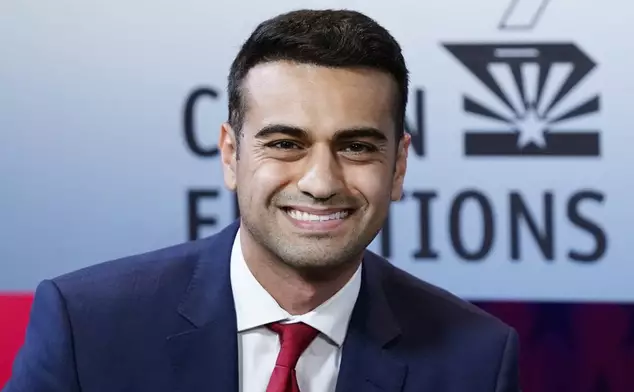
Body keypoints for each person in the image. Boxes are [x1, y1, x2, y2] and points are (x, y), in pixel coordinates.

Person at [3, 8, 520, 392]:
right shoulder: (87, 327)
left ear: (399, 166)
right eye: (285, 144)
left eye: (356, 146)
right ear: (231, 155)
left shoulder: (476, 360)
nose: (321, 181)